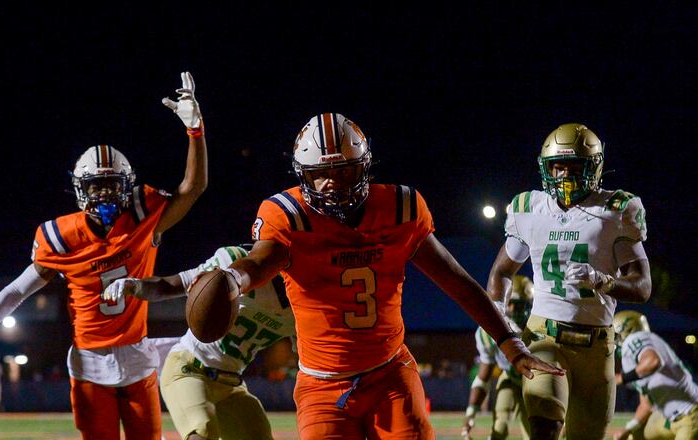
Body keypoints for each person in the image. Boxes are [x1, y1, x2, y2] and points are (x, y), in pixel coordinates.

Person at [195, 113, 563, 440]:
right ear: (302, 175)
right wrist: (233, 279)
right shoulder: (288, 216)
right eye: (319, 174)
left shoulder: (399, 208)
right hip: (322, 385)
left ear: (364, 167)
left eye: (343, 171)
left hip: (390, 376)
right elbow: (260, 261)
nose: (331, 183)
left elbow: (457, 281)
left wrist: (509, 343)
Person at [0, 71, 208, 440]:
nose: (104, 195)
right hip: (89, 364)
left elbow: (193, 188)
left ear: (127, 187)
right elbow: (17, 290)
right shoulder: (60, 237)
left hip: (138, 357)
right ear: (80, 190)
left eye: (112, 185)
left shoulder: (144, 216)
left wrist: (195, 131)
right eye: (96, 186)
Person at [486, 123, 652, 440]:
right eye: (557, 167)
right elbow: (501, 272)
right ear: (545, 168)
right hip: (544, 337)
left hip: (597, 345)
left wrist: (604, 282)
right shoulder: (530, 208)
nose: (564, 175)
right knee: (544, 425)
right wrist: (500, 319)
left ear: (594, 167)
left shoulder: (615, 210)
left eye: (574, 167)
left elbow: (642, 287)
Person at [103, 244, 294, 440]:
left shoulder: (304, 306)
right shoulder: (234, 263)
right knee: (201, 433)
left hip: (231, 384)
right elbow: (170, 284)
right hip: (189, 369)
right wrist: (135, 286)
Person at [461, 275, 534, 440]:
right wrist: (471, 412)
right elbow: (483, 377)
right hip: (510, 378)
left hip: (535, 381)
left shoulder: (540, 330)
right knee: (499, 428)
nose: (513, 309)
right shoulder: (489, 332)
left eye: (519, 304)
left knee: (536, 433)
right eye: (510, 303)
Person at [613, 310, 698, 440]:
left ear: (627, 329)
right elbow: (646, 406)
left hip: (690, 416)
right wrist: (627, 429)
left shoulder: (634, 339)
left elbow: (653, 361)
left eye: (616, 335)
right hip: (668, 419)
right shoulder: (642, 358)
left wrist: (620, 378)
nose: (615, 340)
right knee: (635, 434)